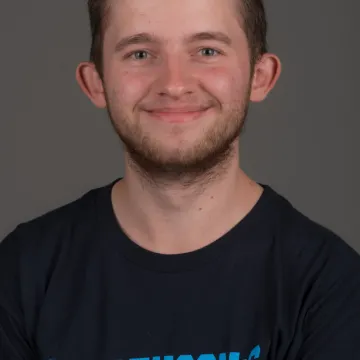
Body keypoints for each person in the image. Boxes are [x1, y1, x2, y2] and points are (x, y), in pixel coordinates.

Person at [1, 0, 360, 359]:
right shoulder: (22, 273)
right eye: (140, 54)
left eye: (207, 50)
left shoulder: (332, 287)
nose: (174, 84)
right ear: (96, 82)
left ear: (259, 76)